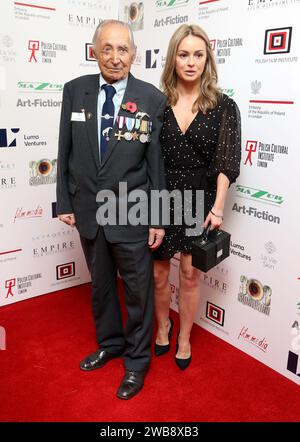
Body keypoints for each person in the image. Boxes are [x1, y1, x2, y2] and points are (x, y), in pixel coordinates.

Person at [56, 20, 166, 399]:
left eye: (123, 50)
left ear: (134, 55)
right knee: (101, 287)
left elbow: (156, 164)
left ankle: (137, 361)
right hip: (88, 211)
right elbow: (64, 150)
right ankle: (111, 343)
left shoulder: (152, 98)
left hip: (133, 213)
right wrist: (65, 201)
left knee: (138, 292)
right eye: (107, 49)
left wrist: (157, 216)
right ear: (94, 51)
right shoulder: (75, 91)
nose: (115, 58)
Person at [153, 24, 241, 370]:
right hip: (160, 194)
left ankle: (184, 337)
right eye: (184, 54)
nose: (191, 62)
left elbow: (226, 161)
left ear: (208, 59)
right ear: (174, 58)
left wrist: (218, 207)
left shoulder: (222, 106)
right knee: (159, 274)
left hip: (200, 197)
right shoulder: (157, 103)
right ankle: (163, 325)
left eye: (198, 55)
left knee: (190, 274)